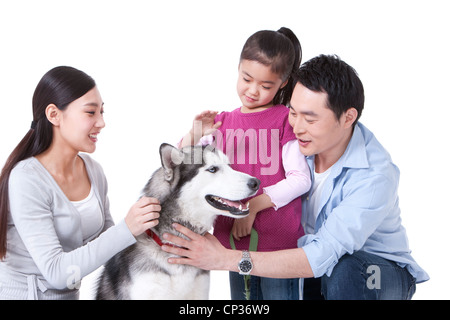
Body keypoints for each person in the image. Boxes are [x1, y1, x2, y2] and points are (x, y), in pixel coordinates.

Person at [162, 54, 429, 300]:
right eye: (292, 112)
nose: (297, 127)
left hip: (378, 271)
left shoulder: (374, 177)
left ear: (348, 117)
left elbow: (322, 255)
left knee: (345, 272)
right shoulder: (293, 142)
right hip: (309, 263)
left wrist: (224, 259)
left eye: (310, 120)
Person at [0, 66, 160, 299]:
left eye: (102, 112)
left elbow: (111, 247)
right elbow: (57, 273)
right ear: (54, 114)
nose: (101, 122)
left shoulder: (93, 171)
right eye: (91, 112)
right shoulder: (26, 179)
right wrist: (127, 228)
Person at [179, 27, 311, 300]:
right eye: (246, 79)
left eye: (265, 86)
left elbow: (301, 179)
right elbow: (181, 165)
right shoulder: (222, 123)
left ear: (283, 83)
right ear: (238, 68)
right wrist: (194, 134)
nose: (252, 91)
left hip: (280, 249)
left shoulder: (284, 119)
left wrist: (252, 206)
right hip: (233, 247)